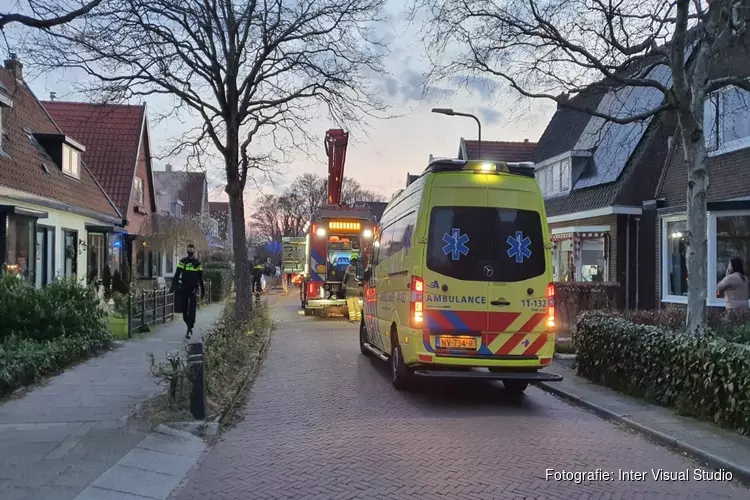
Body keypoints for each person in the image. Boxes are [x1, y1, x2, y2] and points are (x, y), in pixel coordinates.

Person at [170, 244, 205, 339]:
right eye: (189, 249)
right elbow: (177, 275)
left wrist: (203, 291)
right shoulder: (183, 262)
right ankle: (188, 323)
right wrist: (173, 287)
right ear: (187, 250)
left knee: (192, 309)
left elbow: (200, 278)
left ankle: (190, 328)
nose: (190, 251)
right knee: (184, 309)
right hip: (184, 288)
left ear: (194, 250)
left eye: (192, 249)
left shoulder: (197, 263)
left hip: (193, 289)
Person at [343, 254, 361, 323]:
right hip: (356, 290)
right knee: (356, 304)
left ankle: (352, 318)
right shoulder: (359, 268)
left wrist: (343, 286)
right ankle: (358, 318)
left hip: (349, 290)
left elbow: (346, 277)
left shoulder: (349, 267)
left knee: (350, 305)